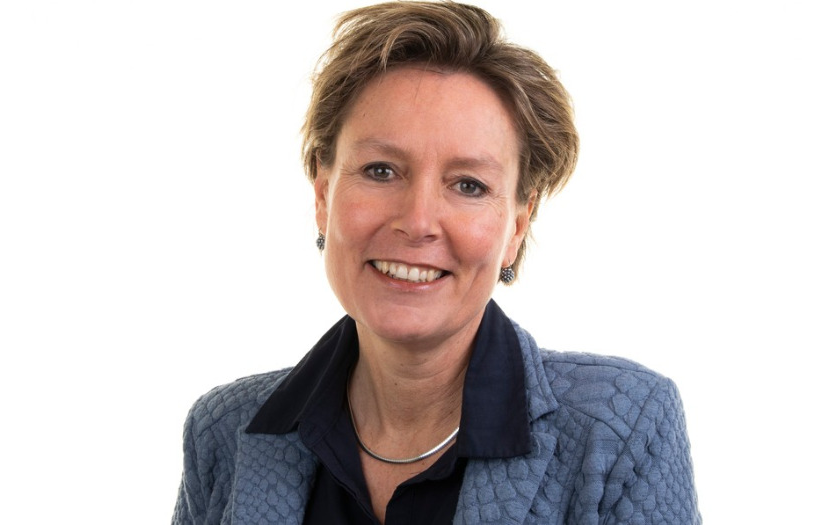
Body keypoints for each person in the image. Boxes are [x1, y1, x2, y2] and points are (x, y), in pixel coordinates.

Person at [172, 2, 700, 524]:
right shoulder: (221, 433)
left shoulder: (620, 429)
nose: (418, 221)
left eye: (468, 185)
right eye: (380, 171)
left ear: (517, 226)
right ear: (323, 195)